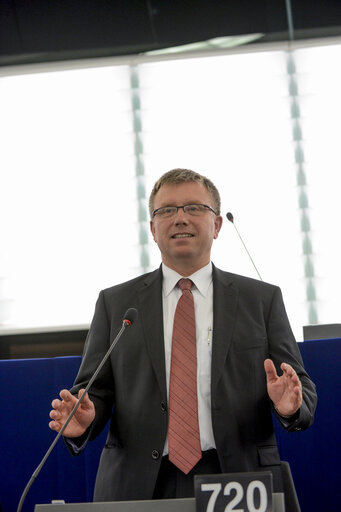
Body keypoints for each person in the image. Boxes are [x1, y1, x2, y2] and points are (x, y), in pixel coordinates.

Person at [49, 168, 317, 503]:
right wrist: (84, 419)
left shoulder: (261, 300)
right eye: (166, 210)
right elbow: (94, 393)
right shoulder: (115, 303)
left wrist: (290, 405)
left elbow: (299, 387)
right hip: (140, 483)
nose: (180, 218)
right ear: (153, 228)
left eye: (194, 208)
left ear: (216, 225)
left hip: (236, 480)